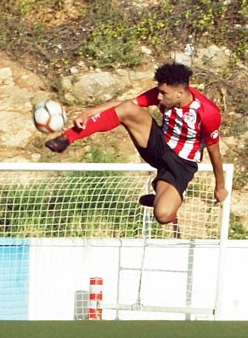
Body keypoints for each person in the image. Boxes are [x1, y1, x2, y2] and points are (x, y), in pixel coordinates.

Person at [45, 62, 228, 225]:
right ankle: (67, 138)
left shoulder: (207, 113)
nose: (158, 97)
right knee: (128, 109)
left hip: (181, 163)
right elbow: (127, 103)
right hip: (158, 144)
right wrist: (90, 112)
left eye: (164, 93)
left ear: (180, 93)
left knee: (163, 215)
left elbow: (215, 153)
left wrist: (219, 186)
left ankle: (160, 200)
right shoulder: (162, 95)